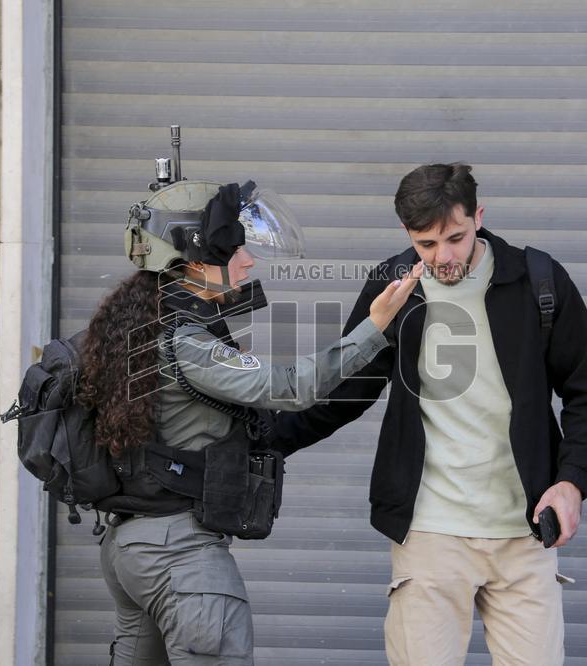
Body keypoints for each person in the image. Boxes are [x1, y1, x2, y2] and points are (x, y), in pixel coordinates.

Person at [271, 163, 587, 665]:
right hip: (430, 534)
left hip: (523, 534)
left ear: (479, 216)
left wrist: (573, 482)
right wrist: (260, 439)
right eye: (426, 244)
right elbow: (346, 393)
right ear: (407, 235)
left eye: (455, 238)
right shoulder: (393, 287)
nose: (444, 257)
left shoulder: (538, 281)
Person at [77, 180, 423, 665]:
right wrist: (375, 326)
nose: (248, 260)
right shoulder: (186, 341)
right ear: (195, 259)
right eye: (235, 247)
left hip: (131, 550)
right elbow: (290, 385)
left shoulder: (137, 323)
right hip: (182, 561)